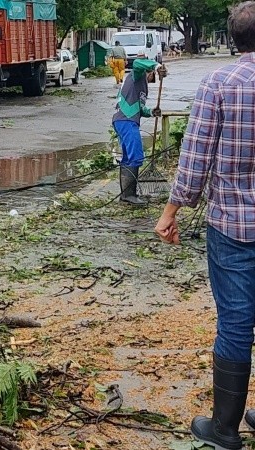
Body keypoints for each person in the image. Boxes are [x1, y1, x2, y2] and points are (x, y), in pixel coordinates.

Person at [154, 2, 255, 449]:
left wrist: (171, 212)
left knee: (235, 322)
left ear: (233, 38)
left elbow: (195, 160)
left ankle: (225, 431)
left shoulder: (220, 81)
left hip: (233, 224)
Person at [112, 57, 165, 205]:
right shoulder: (137, 75)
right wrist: (157, 65)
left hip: (127, 120)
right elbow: (136, 63)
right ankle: (129, 195)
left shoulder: (142, 86)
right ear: (149, 72)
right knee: (136, 155)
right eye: (154, 75)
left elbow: (139, 108)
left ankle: (127, 195)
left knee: (129, 157)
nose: (154, 78)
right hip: (126, 120)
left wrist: (151, 112)